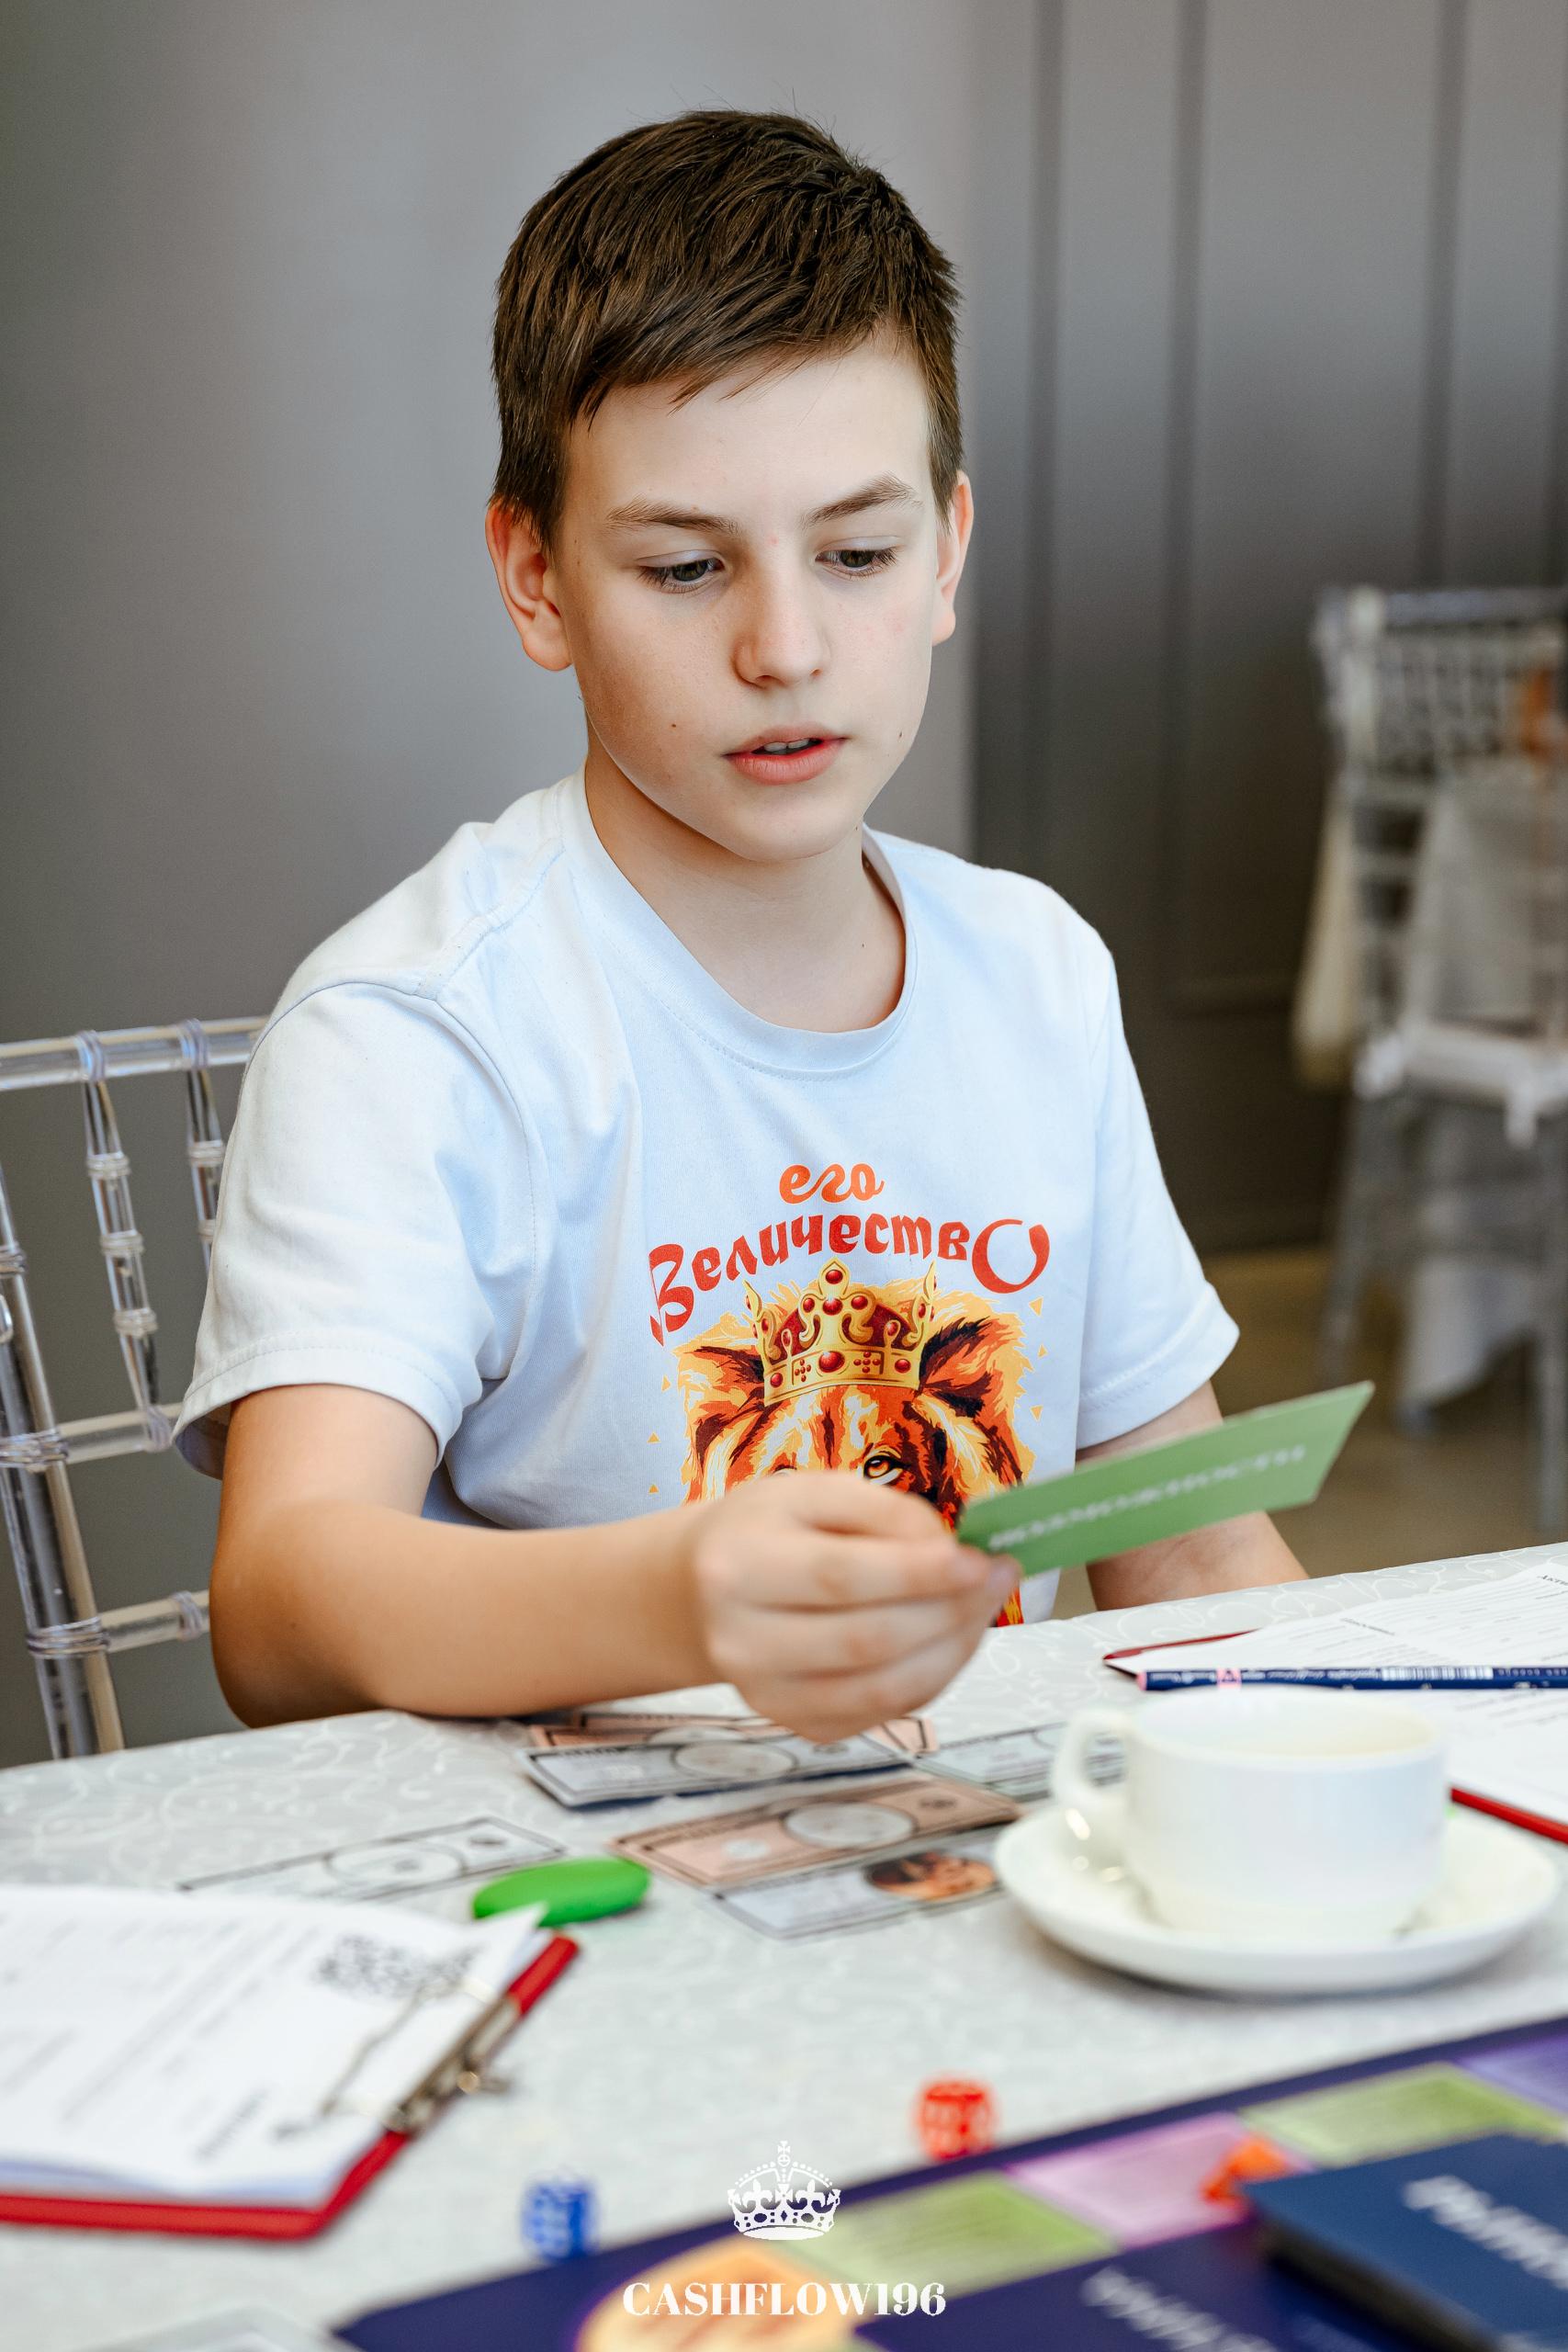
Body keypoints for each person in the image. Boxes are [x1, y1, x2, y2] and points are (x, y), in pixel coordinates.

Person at [175, 109, 1303, 1744]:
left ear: (947, 555)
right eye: (688, 569)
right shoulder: (417, 1033)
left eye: (856, 553)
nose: (786, 646)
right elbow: (279, 1608)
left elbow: (1189, 1542)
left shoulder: (1037, 975)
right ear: (537, 578)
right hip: (587, 1862)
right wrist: (679, 1602)